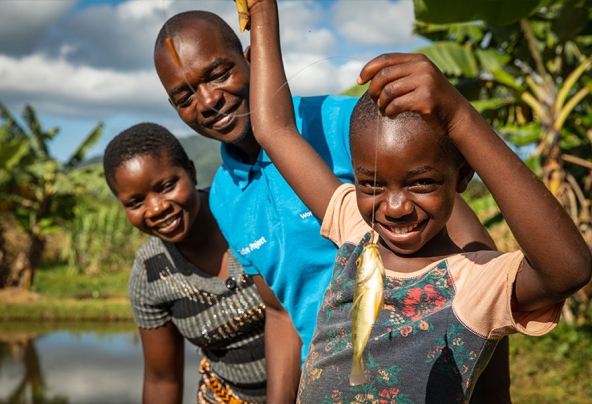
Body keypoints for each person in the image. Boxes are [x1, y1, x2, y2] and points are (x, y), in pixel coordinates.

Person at [153, 6, 507, 402]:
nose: (208, 100)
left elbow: (474, 248)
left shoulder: (346, 124)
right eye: (184, 96)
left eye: (220, 73)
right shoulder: (222, 196)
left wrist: (487, 389)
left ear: (252, 58)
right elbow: (281, 313)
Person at [246, 1, 592, 401]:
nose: (394, 207)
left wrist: (459, 117)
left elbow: (568, 269)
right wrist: (262, 12)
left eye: (421, 183)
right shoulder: (354, 228)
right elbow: (274, 128)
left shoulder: (473, 283)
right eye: (371, 186)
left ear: (461, 177)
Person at [102, 122, 286, 403]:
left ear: (190, 170)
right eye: (135, 203)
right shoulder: (151, 273)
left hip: (309, 385)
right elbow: (161, 379)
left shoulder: (247, 215)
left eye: (166, 187)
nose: (156, 208)